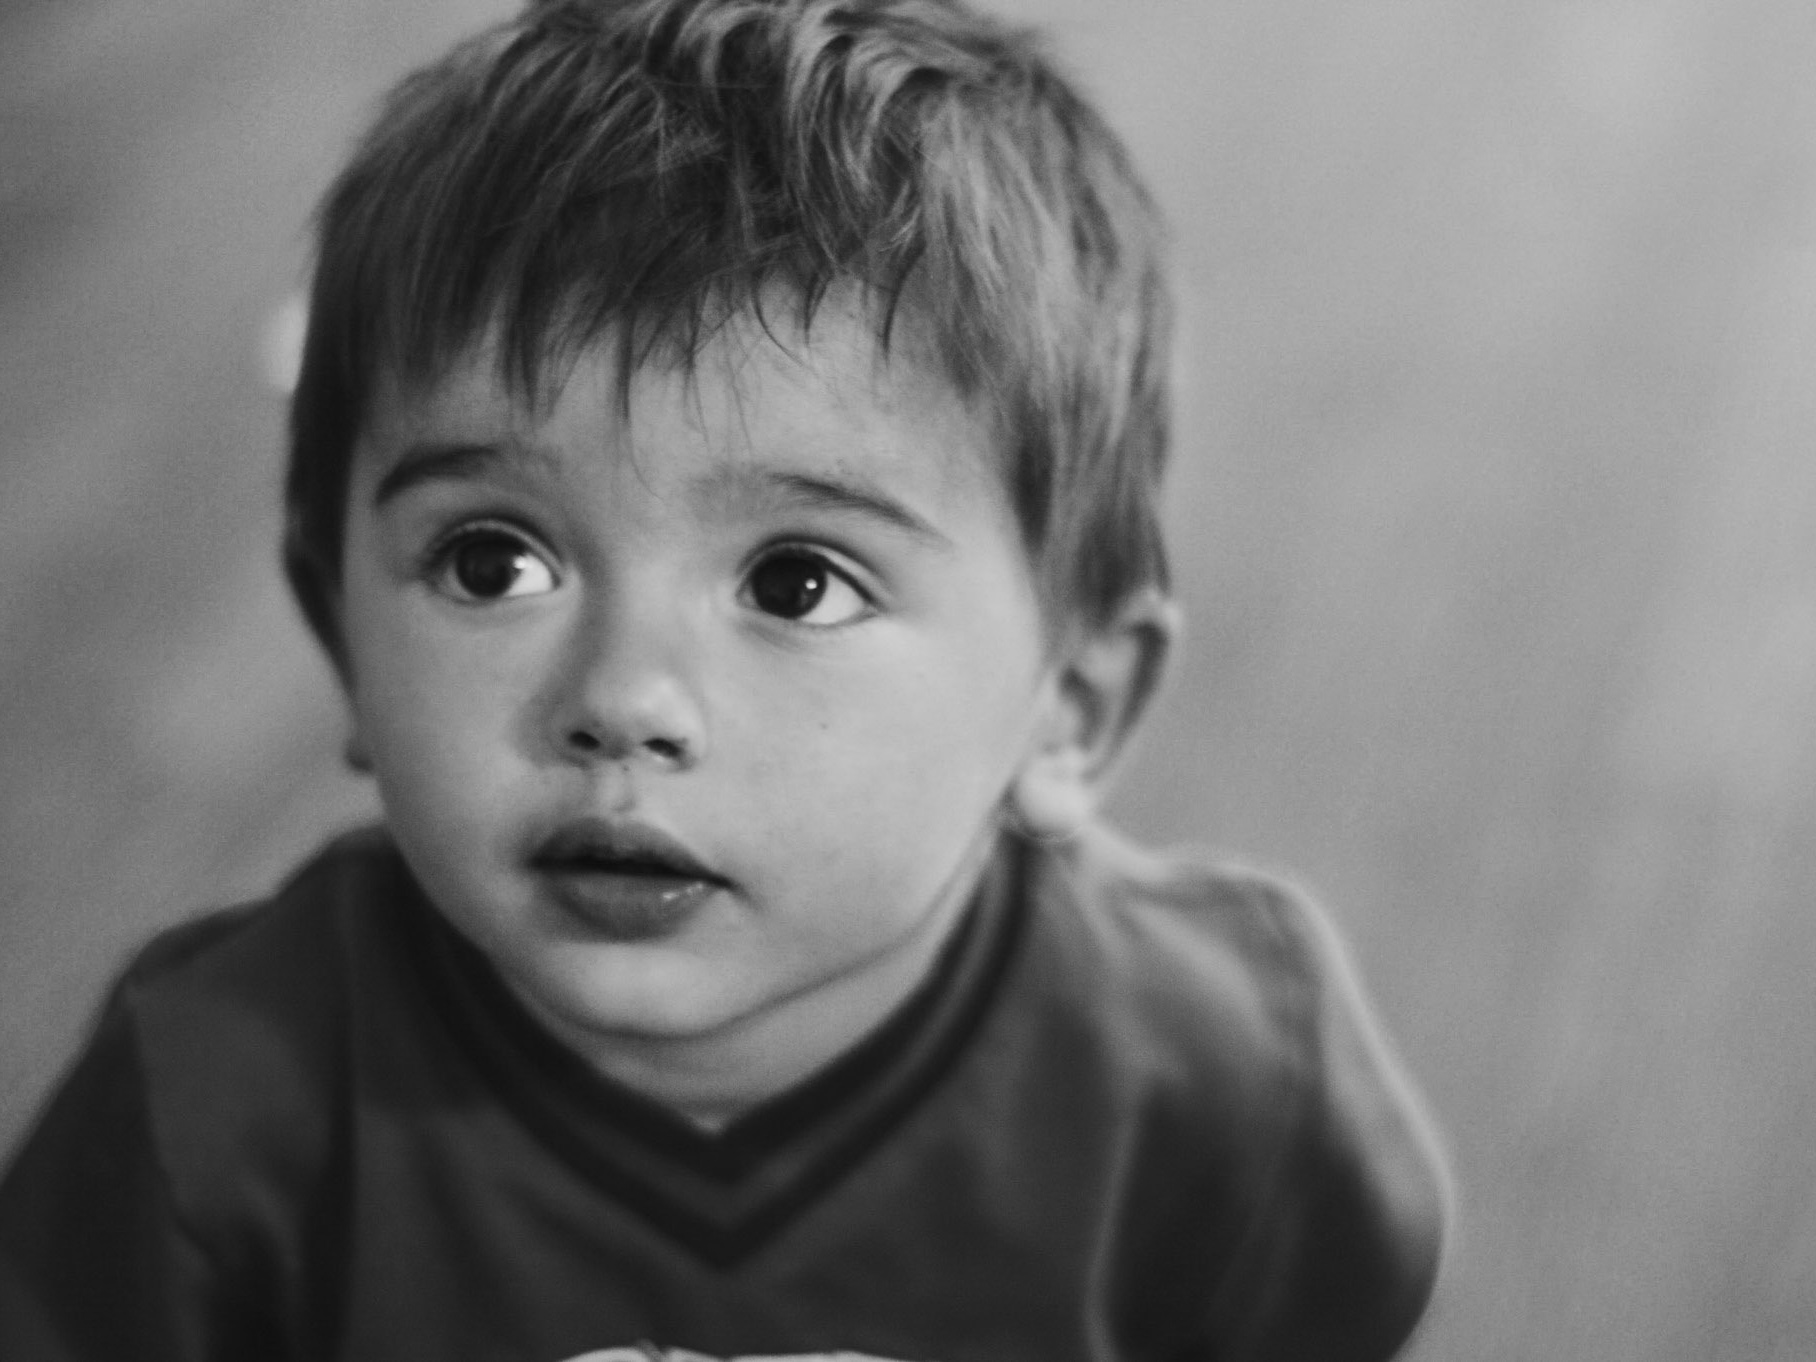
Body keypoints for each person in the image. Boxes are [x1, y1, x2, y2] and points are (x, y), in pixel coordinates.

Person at [0, 1, 1451, 1358]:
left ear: (1074, 703)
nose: (624, 699)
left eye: (796, 583)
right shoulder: (201, 1111)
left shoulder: (1237, 1091)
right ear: (340, 638)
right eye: (493, 563)